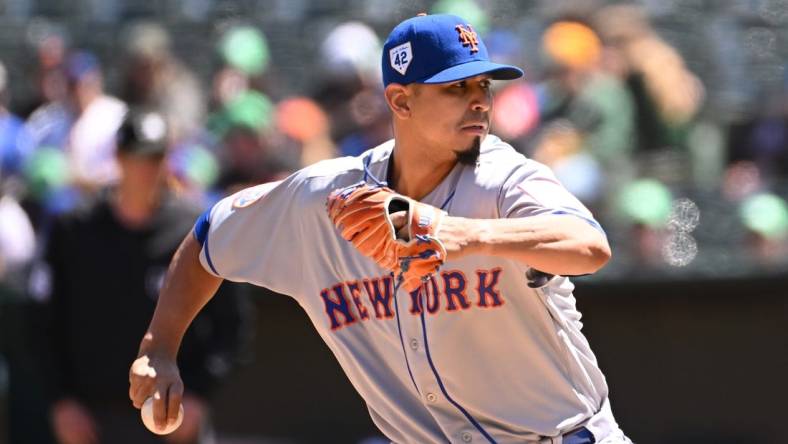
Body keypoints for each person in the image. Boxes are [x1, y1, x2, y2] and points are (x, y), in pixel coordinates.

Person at [129, 14, 631, 443]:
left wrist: (468, 234)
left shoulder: (502, 179)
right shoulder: (322, 201)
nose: (479, 101)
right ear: (400, 100)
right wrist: (159, 346)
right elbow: (209, 237)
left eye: (483, 86)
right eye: (457, 87)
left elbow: (589, 245)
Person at [40, 110, 249, 444]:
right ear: (119, 158)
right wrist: (60, 400)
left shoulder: (193, 232)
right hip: (91, 418)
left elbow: (232, 327)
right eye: (136, 157)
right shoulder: (75, 231)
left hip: (172, 415)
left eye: (154, 158)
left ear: (167, 161)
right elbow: (45, 323)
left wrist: (199, 395)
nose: (145, 169)